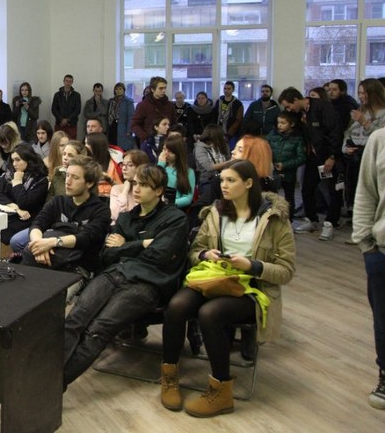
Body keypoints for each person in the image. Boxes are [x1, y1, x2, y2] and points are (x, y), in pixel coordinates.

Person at [160, 160, 295, 418]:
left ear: (249, 183)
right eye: (222, 180)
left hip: (251, 288)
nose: (223, 185)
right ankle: (169, 376)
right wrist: (205, 255)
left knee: (210, 313)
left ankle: (221, 390)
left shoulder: (274, 219)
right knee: (176, 306)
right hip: (214, 278)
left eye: (231, 180)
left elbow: (286, 270)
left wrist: (252, 265)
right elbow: (194, 251)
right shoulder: (216, 212)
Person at [63, 164, 189, 388]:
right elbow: (106, 255)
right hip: (115, 273)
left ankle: (54, 385)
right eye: (134, 183)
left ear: (159, 191)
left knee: (97, 330)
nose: (136, 189)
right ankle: (46, 374)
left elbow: (159, 256)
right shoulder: (125, 218)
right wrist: (142, 244)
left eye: (144, 185)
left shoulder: (175, 219)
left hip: (147, 283)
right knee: (74, 320)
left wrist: (125, 246)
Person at [17, 156, 111, 271]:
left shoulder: (101, 210)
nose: (68, 181)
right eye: (67, 175)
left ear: (89, 183)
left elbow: (85, 238)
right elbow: (37, 224)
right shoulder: (58, 201)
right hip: (48, 256)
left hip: (79, 266)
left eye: (75, 177)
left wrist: (51, 242)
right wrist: (38, 245)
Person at [351, 127, 385, 409]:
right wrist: (366, 244)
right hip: (381, 251)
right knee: (383, 320)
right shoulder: (379, 140)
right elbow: (366, 193)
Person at [0, 144, 49, 246]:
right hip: (13, 213)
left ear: (28, 160)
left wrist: (17, 182)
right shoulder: (10, 174)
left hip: (27, 218)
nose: (14, 164)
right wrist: (16, 208)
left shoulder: (40, 180)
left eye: (18, 160)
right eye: (13, 160)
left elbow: (24, 203)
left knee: (0, 230)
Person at [343, 78, 385, 218]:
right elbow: (348, 132)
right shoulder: (360, 110)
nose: (360, 96)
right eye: (359, 93)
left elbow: (381, 136)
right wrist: (346, 147)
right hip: (355, 158)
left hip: (374, 158)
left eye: (363, 93)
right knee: (356, 192)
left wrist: (364, 121)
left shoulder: (382, 113)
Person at [267, 112, 305, 221]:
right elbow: (265, 148)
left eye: (283, 123)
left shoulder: (297, 138)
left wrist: (285, 165)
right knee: (271, 196)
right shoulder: (272, 135)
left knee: (289, 198)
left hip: (288, 173)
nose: (279, 125)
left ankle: (288, 220)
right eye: (278, 122)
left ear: (291, 124)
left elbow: (301, 157)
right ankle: (271, 219)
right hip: (272, 171)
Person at [131, 76, 176, 145]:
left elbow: (174, 123)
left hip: (167, 142)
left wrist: (172, 136)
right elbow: (134, 125)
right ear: (152, 89)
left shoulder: (169, 105)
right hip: (148, 144)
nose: (164, 91)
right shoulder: (143, 105)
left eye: (165, 88)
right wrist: (146, 138)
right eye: (160, 88)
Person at [193, 124, 232, 203]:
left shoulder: (224, 145)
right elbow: (209, 167)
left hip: (224, 177)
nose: (223, 138)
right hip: (208, 180)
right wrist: (230, 162)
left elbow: (228, 158)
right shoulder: (200, 147)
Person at [109, 149, 150, 224]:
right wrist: (125, 191)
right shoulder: (117, 189)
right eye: (123, 164)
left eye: (130, 165)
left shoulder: (149, 189)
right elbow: (115, 216)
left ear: (141, 167)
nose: (124, 168)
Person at [157, 135, 196, 210]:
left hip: (173, 208)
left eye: (170, 151)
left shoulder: (188, 172)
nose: (165, 154)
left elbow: (187, 198)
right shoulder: (159, 168)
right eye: (164, 149)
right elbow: (155, 182)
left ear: (178, 153)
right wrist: (160, 165)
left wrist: (167, 203)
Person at [85, 132, 122, 197]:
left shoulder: (115, 162)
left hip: (113, 197)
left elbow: (121, 187)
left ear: (96, 145)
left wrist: (109, 180)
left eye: (88, 143)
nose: (85, 146)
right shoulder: (85, 161)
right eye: (85, 143)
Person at [51, 74, 82, 140]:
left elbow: (77, 110)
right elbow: (54, 109)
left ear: (72, 82)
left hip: (72, 124)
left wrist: (67, 119)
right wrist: (61, 119)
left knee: (72, 142)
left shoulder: (77, 95)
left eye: (70, 81)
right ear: (63, 81)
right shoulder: (57, 95)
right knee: (58, 141)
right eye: (66, 81)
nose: (68, 83)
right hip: (60, 123)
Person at [215, 81, 244, 149]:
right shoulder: (219, 101)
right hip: (219, 131)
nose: (226, 90)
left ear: (233, 90)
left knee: (231, 150)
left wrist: (228, 134)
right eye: (225, 88)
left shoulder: (237, 104)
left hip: (231, 133)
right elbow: (215, 115)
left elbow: (238, 120)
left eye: (228, 89)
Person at [107, 82, 136, 150]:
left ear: (124, 90)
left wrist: (129, 130)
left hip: (123, 127)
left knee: (123, 147)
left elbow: (131, 117)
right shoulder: (111, 101)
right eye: (116, 89)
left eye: (120, 89)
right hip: (112, 125)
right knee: (112, 147)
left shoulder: (128, 101)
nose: (118, 91)